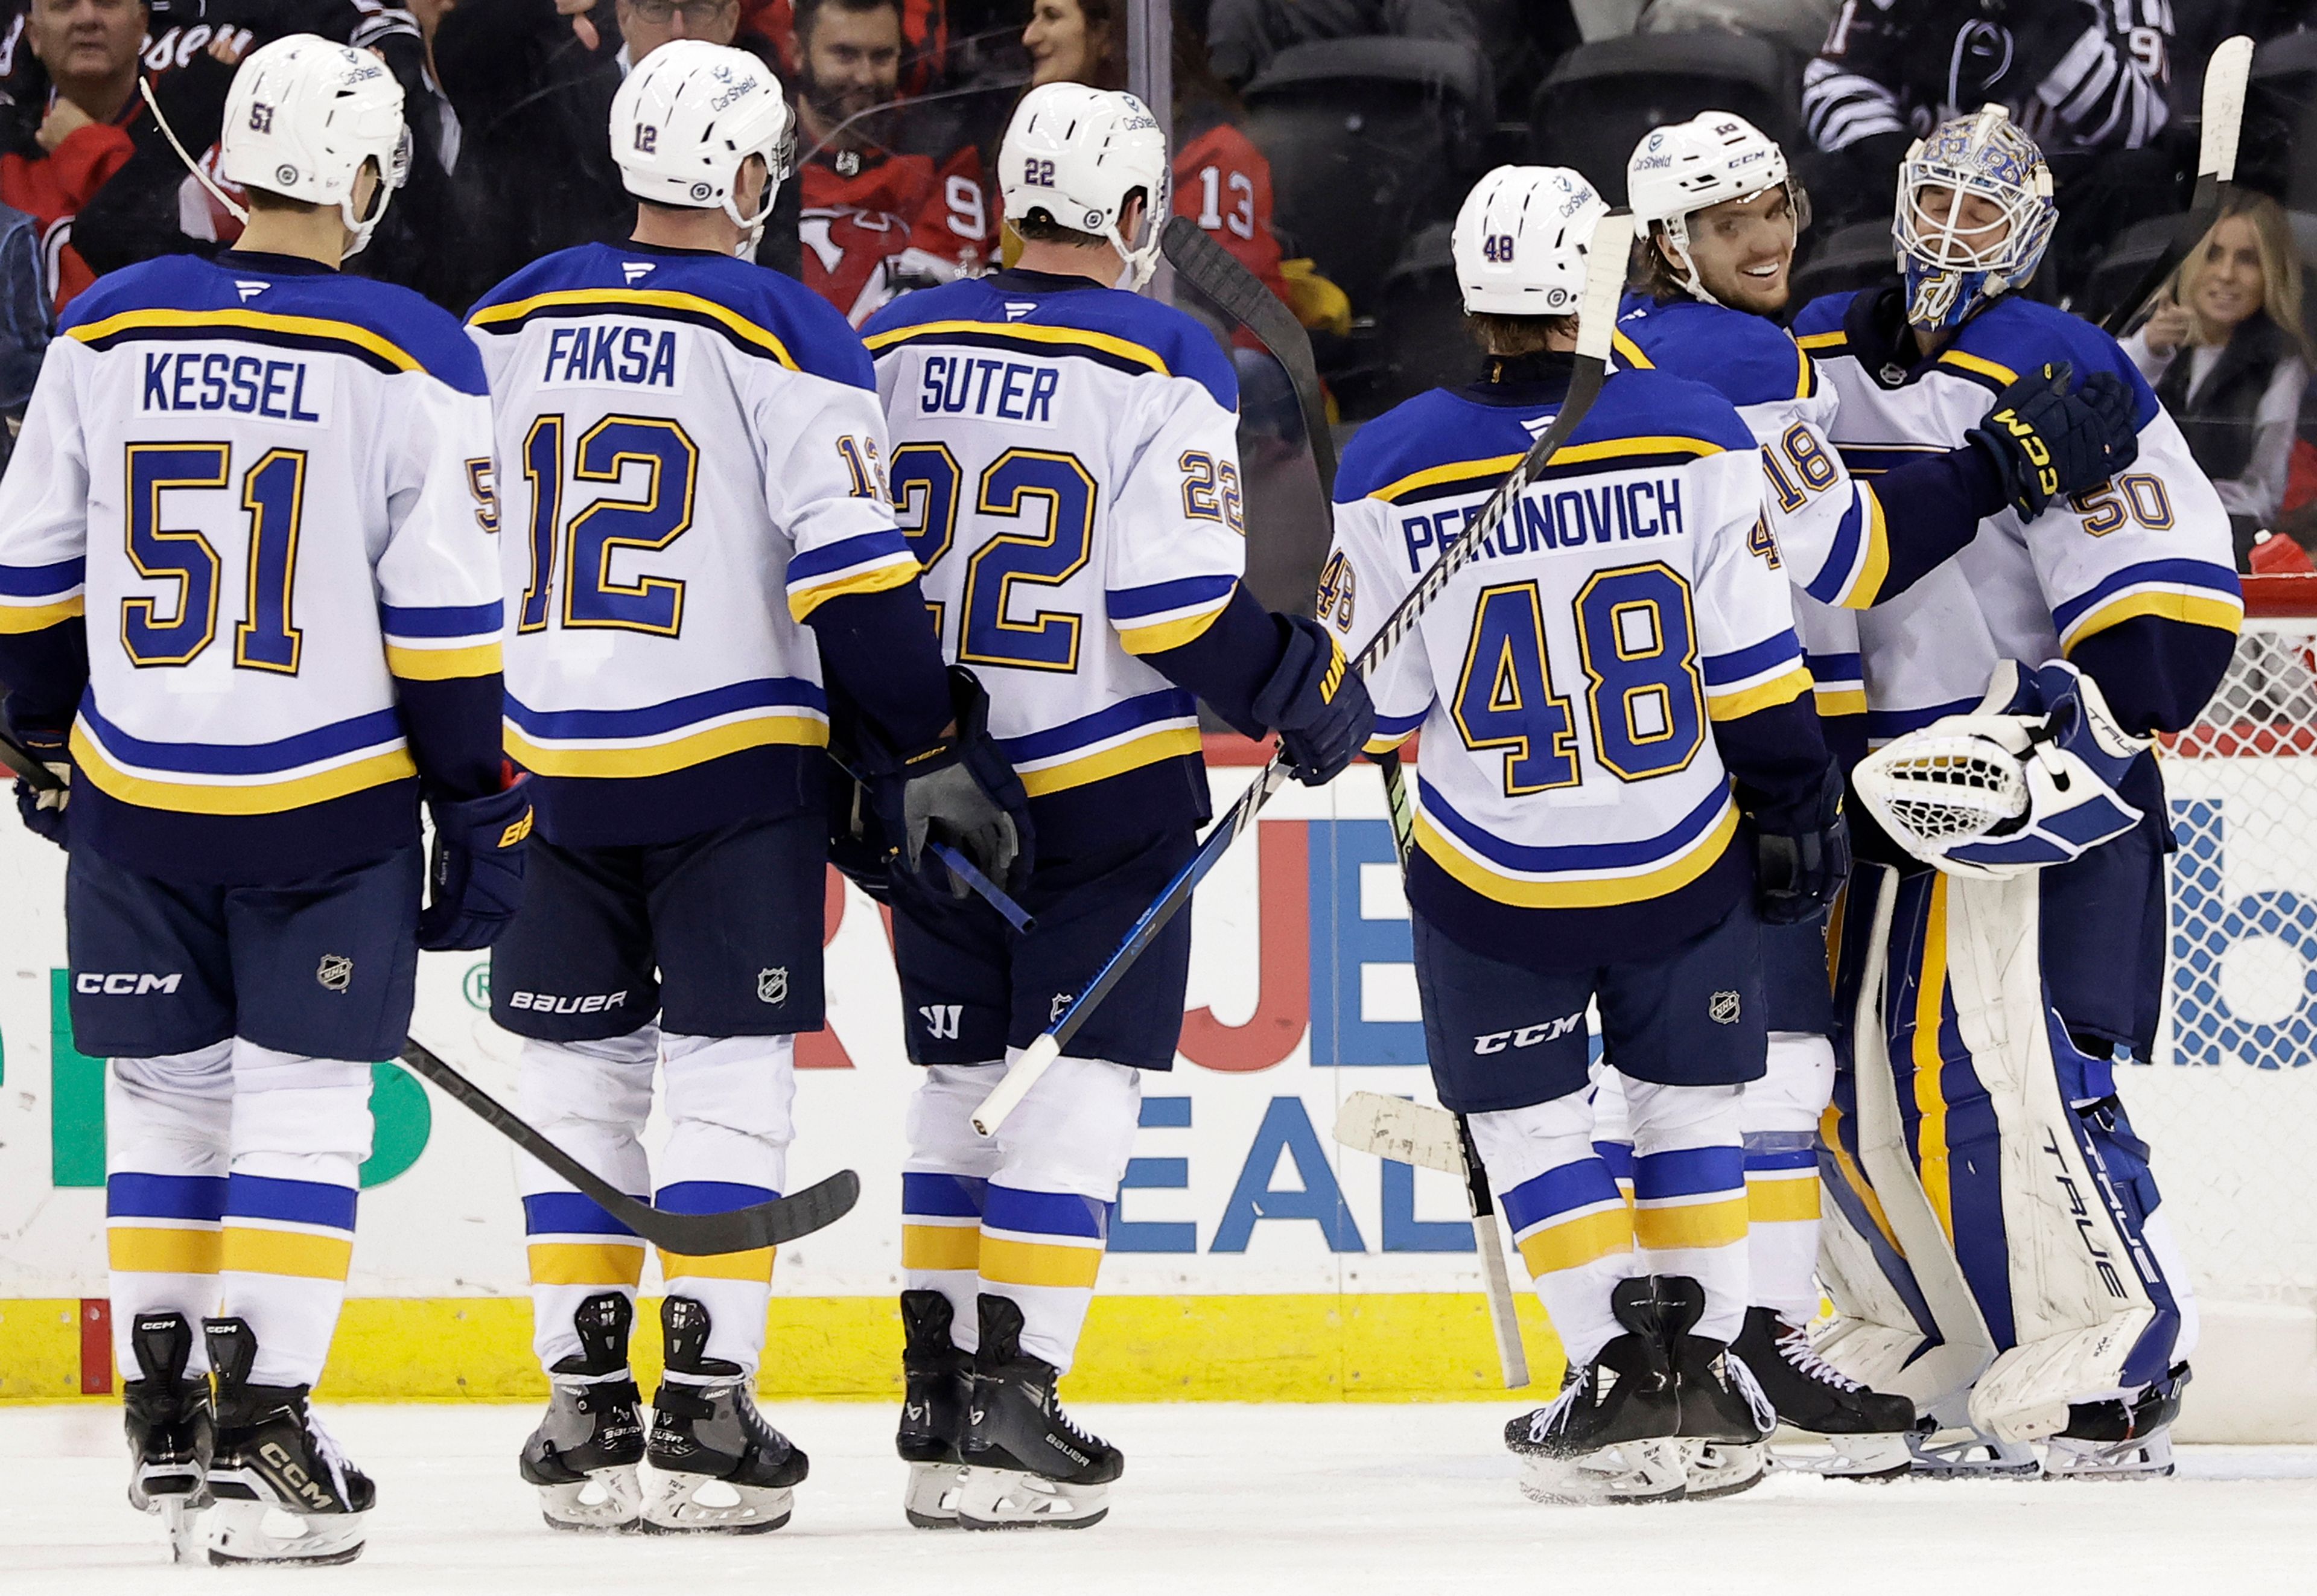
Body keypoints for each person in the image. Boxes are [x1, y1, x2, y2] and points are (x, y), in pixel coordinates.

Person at [466, 39, 1030, 1536]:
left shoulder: (505, 314)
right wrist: (918, 737)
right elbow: (854, 576)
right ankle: (704, 1406)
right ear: (743, 174)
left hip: (548, 761)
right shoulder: (784, 324)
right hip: (726, 762)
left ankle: (582, 1414)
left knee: (581, 1078)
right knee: (724, 1069)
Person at [0, 35, 520, 1564]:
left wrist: (38, 737)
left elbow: (30, 571)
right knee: (302, 1102)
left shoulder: (107, 320)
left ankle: (170, 1418)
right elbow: (442, 626)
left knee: (163, 1095)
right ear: (363, 180)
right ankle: (269, 1414)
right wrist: (475, 805)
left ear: (230, 167)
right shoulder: (414, 346)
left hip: (135, 790)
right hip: (325, 800)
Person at [860, 80, 1373, 1531]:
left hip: (936, 785)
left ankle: (934, 1390)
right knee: (1075, 1088)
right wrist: (1296, 686)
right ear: (1140, 216)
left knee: (956, 1083)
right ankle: (1013, 1393)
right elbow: (1167, 599)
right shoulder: (1163, 347)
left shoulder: (891, 333)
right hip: (1098, 784)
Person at [1611, 108, 2140, 1480]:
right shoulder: (1736, 350)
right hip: (1743, 747)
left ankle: (1670, 1338)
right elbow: (1844, 556)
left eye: (1776, 206)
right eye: (1730, 225)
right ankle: (1755, 1340)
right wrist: (1989, 464)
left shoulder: (1622, 351)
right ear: (1672, 243)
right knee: (1782, 1059)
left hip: (1633, 760)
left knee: (1696, 1065)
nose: (1768, 237)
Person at [1319, 162, 1843, 1504]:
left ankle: (1615, 1372)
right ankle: (1706, 1374)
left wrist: (1310, 706)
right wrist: (1793, 802)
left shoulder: (1389, 455)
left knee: (1535, 1124)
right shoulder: (1694, 425)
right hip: (1679, 851)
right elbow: (1755, 665)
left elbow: (1369, 698)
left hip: (1493, 873)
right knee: (1690, 1107)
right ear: (1593, 279)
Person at [1791, 103, 2237, 1479]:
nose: (1950, 234)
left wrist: (2075, 722)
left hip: (2009, 773)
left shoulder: (2059, 361)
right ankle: (1922, 1329)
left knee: (2007, 1065)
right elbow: (1815, 555)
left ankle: (2112, 1342)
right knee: (1847, 1079)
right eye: (1935, 198)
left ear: (2033, 234)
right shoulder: (1805, 350)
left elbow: (2161, 604)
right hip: (1844, 776)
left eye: (1985, 211)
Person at [430, 0, 802, 312]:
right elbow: (463, 52)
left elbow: (779, 264)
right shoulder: (554, 106)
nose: (677, 29)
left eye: (697, 8)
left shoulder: (767, 118)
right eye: (657, 7)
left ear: (731, 17)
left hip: (732, 349)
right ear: (624, 13)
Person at [1800, 0, 2178, 285]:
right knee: (1811, 183)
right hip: (1919, 188)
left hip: (2056, 198)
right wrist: (1902, 159)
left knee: (2139, 176)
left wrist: (2048, 27)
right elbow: (1832, 80)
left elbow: (2144, 123)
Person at [2123, 193, 2315, 561]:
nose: (2226, 275)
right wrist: (2149, 350)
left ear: (2271, 273)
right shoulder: (2142, 338)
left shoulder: (2283, 365)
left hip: (2227, 543)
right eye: (2213, 254)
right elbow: (2100, 408)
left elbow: (2266, 493)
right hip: (2131, 532)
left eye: (2248, 260)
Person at [791, 0, 990, 325]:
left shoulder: (942, 152)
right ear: (798, 53)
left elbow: (940, 291)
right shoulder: (757, 142)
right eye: (845, 54)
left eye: (882, 56)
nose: (865, 76)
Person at [0, 0, 148, 311]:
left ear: (141, 25)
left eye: (107, 4)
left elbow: (179, 266)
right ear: (34, 35)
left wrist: (84, 147)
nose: (87, 19)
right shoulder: (6, 146)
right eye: (64, 5)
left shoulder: (198, 131)